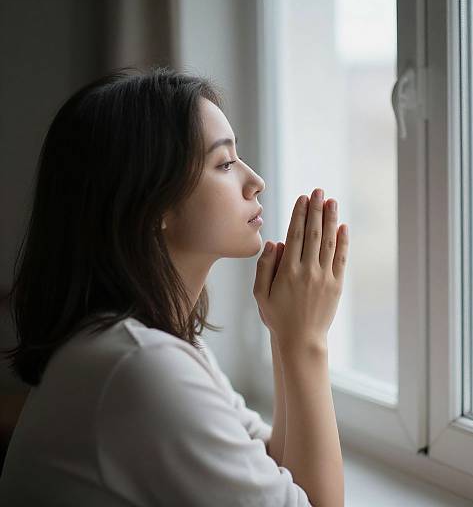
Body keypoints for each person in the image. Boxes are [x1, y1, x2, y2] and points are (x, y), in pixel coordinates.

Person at [0, 65, 348, 506]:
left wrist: (284, 333)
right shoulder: (140, 367)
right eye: (224, 163)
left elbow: (273, 467)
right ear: (152, 203)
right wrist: (306, 342)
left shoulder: (158, 349)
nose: (255, 181)